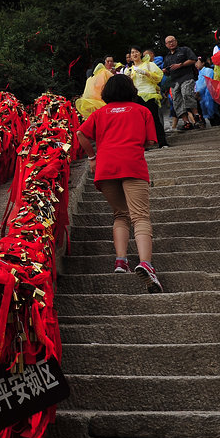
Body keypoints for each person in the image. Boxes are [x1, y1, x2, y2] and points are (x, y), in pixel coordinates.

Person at [76, 74, 162, 292]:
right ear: (131, 90)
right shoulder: (142, 111)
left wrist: (91, 157)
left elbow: (80, 133)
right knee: (140, 216)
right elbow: (150, 141)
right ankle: (146, 264)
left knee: (120, 215)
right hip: (132, 166)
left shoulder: (99, 113)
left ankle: (121, 261)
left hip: (106, 169)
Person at [126, 45, 170, 148]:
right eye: (132, 53)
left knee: (154, 119)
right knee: (138, 122)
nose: (134, 54)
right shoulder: (128, 70)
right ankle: (142, 144)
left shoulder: (150, 65)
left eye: (136, 52)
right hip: (135, 97)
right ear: (130, 56)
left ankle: (162, 142)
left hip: (149, 94)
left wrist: (146, 73)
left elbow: (158, 77)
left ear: (140, 54)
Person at [162, 35, 203, 130]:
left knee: (187, 94)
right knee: (177, 101)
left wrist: (181, 65)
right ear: (166, 45)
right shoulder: (167, 57)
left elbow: (193, 60)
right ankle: (186, 122)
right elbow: (167, 71)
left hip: (187, 77)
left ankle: (197, 117)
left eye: (173, 41)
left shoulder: (184, 50)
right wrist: (165, 70)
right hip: (174, 81)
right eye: (169, 42)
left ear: (176, 41)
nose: (171, 43)